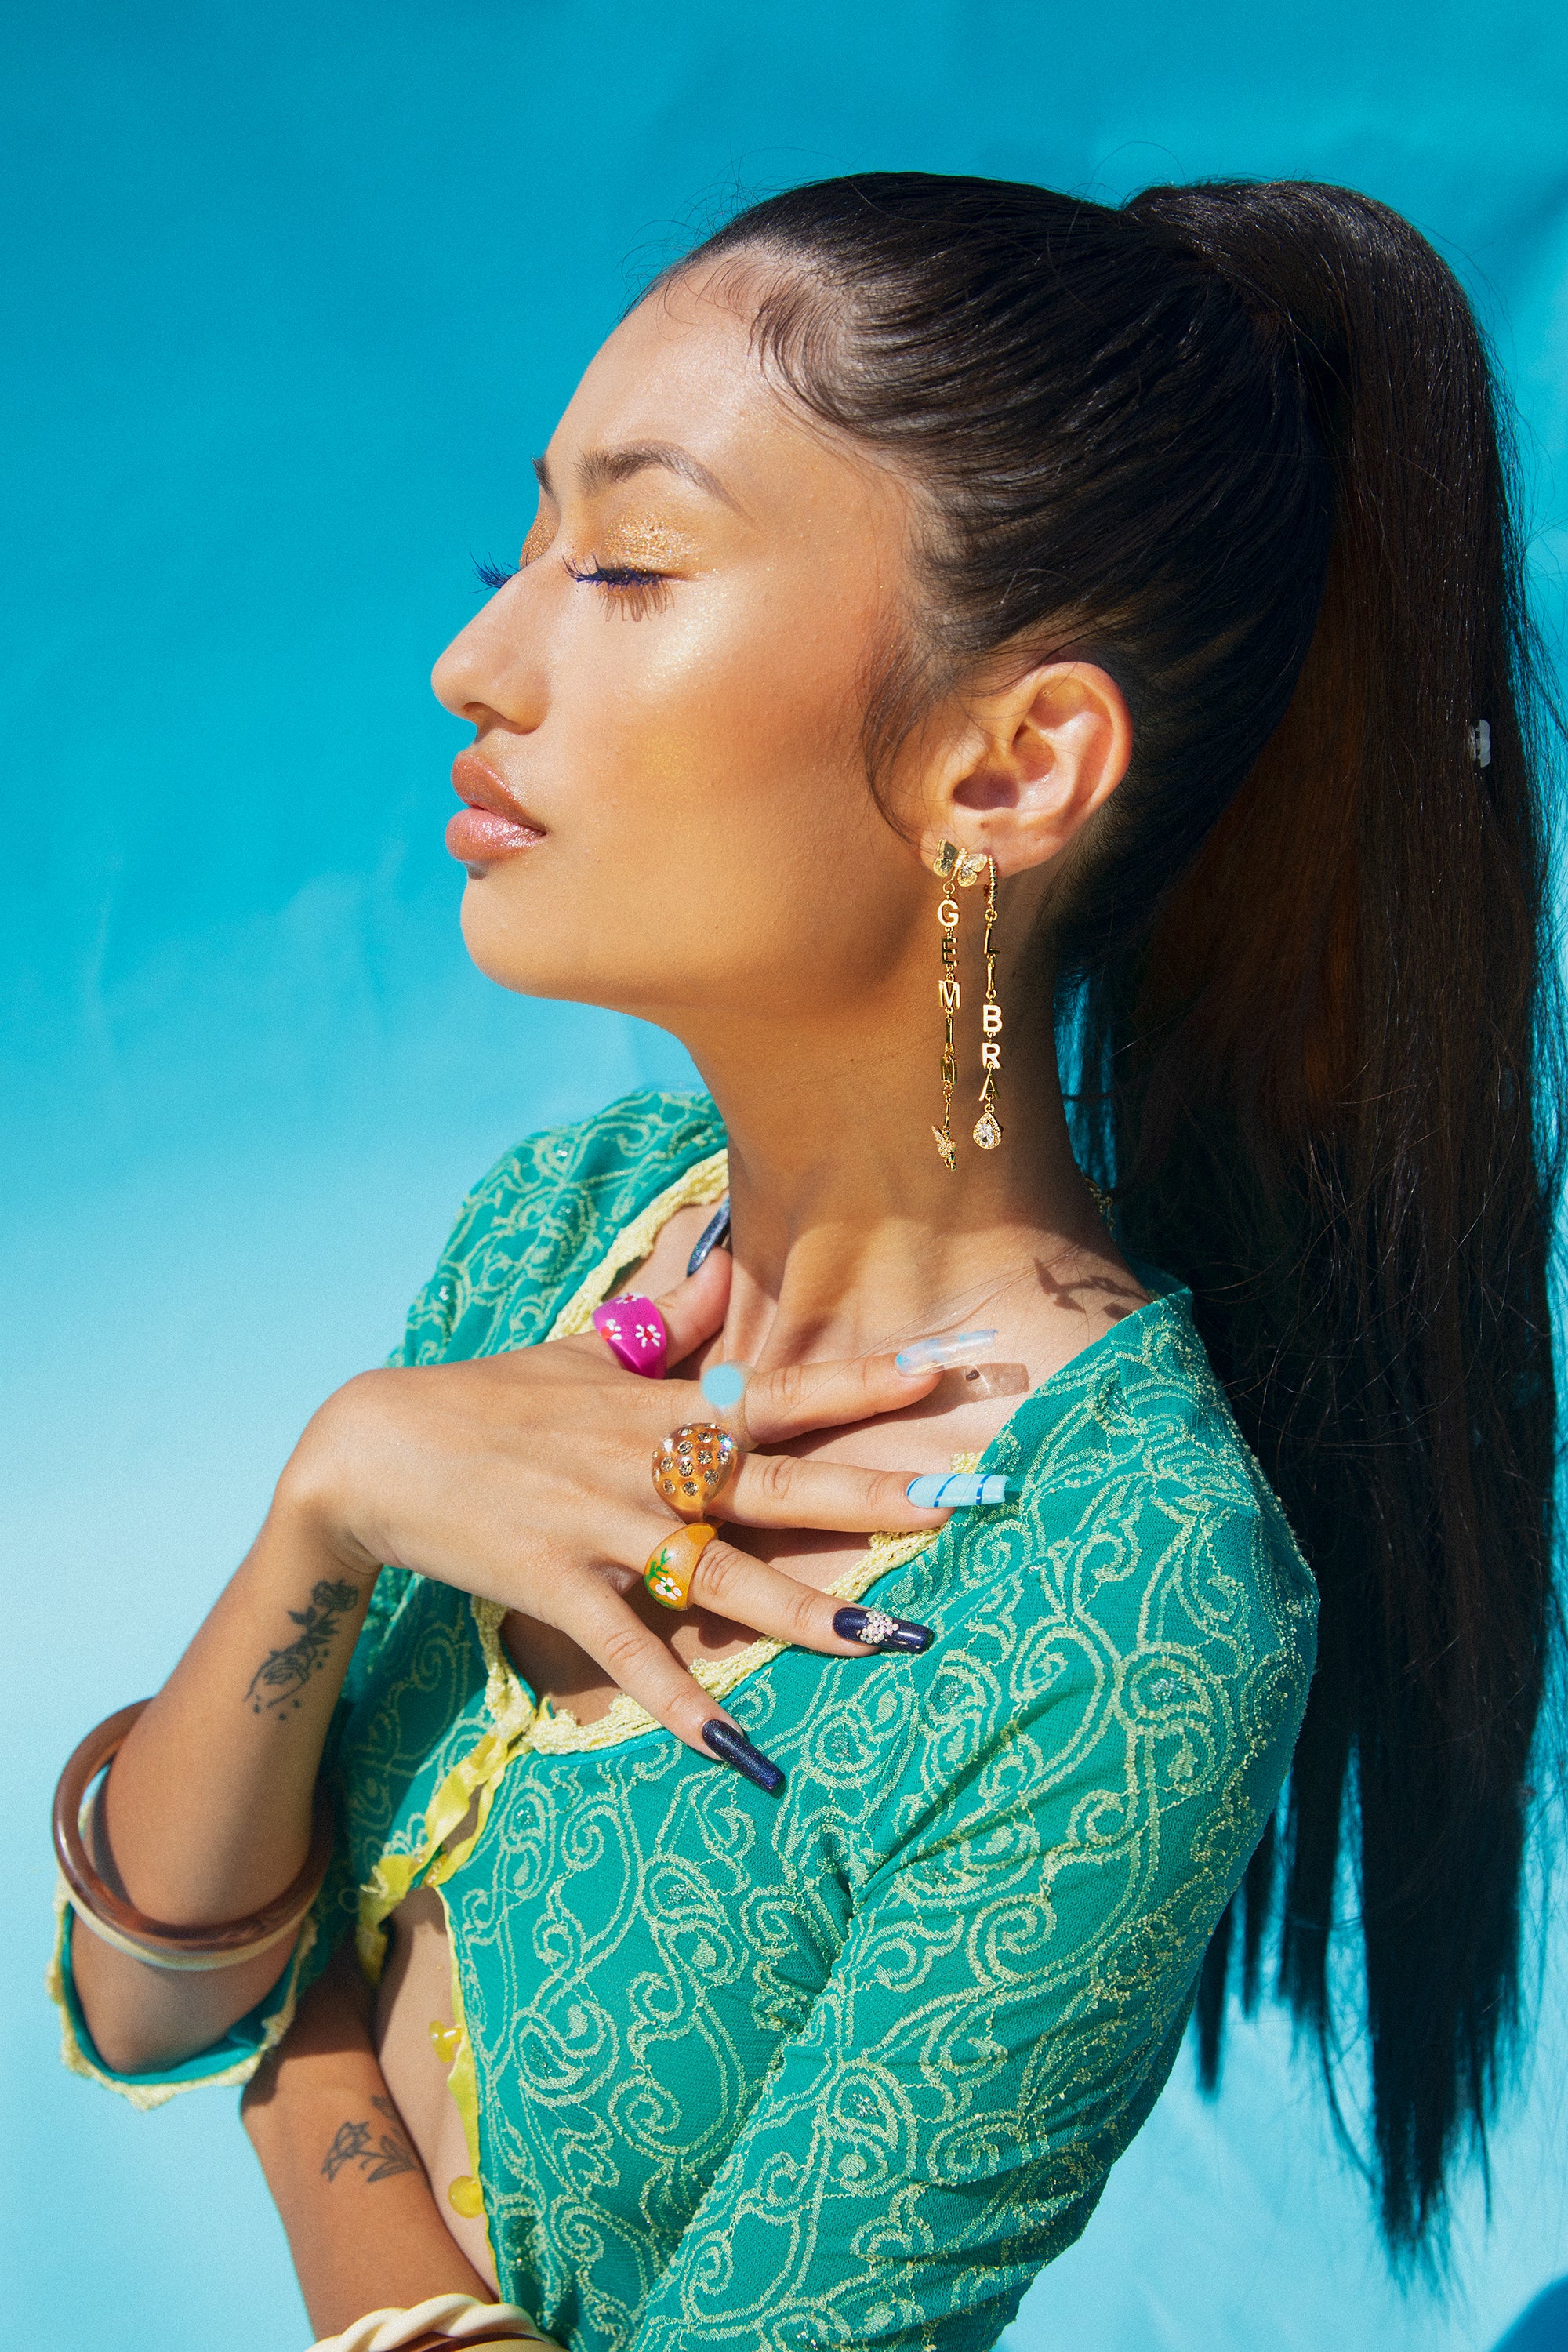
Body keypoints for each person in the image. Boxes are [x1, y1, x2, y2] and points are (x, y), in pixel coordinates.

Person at [48, 172, 1559, 2351]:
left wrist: (304, 2070)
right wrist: (340, 1489)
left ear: (1012, 764)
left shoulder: (1123, 1612)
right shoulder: (573, 1229)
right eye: (527, 552)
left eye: (632, 567)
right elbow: (137, 1983)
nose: (476, 663)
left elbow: (229, 2008)